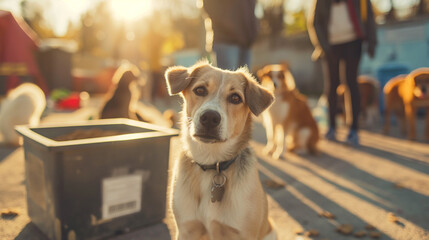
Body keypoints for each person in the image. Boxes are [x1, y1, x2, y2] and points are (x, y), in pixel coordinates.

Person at [308, 0, 377, 145]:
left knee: (351, 82)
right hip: (330, 44)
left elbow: (369, 17)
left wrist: (372, 42)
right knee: (332, 85)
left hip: (354, 41)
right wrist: (323, 46)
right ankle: (332, 127)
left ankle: (353, 129)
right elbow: (314, 23)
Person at [202, 0, 258, 70]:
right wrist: (226, 25)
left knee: (243, 80)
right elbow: (208, 4)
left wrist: (253, 31)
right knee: (227, 78)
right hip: (225, 40)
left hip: (246, 40)